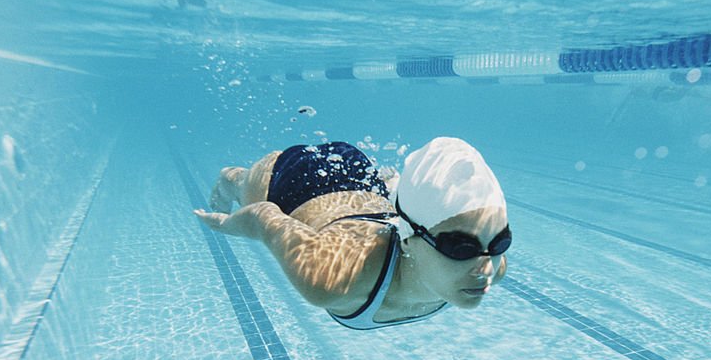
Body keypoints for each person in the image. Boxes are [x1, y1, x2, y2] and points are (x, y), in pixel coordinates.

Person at [194, 137, 511, 329]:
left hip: (363, 180)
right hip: (297, 184)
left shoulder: (492, 266)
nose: (486, 268)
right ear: (410, 239)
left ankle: (393, 188)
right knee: (244, 185)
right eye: (460, 247)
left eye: (500, 242)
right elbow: (265, 217)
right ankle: (232, 178)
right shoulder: (333, 278)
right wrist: (225, 225)